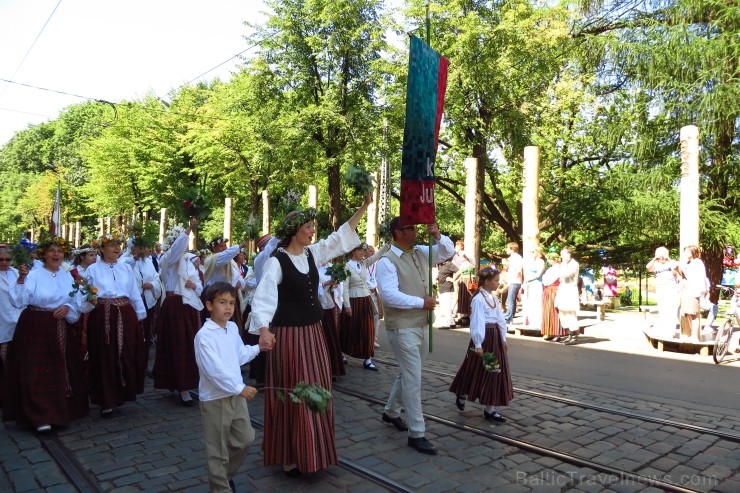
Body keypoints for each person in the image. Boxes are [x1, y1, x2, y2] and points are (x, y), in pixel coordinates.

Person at [249, 194, 373, 476]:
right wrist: (265, 330)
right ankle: (291, 454)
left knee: (317, 390)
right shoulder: (276, 262)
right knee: (295, 391)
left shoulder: (311, 254)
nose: (312, 231)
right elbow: (264, 299)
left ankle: (314, 450)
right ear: (294, 230)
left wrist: (363, 208)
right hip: (289, 337)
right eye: (308, 226)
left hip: (313, 334)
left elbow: (340, 237)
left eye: (313, 226)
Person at [376, 217, 455, 455]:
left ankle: (391, 412)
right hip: (402, 326)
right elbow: (388, 295)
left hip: (421, 323)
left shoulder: (420, 251)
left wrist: (437, 235)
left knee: (410, 372)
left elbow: (446, 252)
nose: (414, 231)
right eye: (410, 228)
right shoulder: (386, 260)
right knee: (413, 379)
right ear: (398, 233)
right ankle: (417, 432)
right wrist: (421, 302)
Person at [3, 236, 88, 432]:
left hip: (61, 327)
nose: (56, 254)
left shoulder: (67, 276)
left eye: (59, 251)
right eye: (51, 250)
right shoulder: (34, 274)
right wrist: (22, 278)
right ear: (44, 254)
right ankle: (40, 415)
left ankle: (61, 411)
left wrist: (67, 307)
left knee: (60, 368)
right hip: (36, 325)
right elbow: (18, 300)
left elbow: (75, 300)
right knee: (37, 370)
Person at [195, 282, 268, 493]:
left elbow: (238, 355)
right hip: (216, 398)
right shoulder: (204, 336)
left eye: (232, 303)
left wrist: (258, 348)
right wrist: (239, 387)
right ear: (209, 306)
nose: (228, 308)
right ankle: (220, 488)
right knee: (217, 450)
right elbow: (214, 371)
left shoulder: (232, 328)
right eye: (222, 302)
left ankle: (225, 476)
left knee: (246, 438)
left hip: (236, 396)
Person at [82, 232, 147, 417]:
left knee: (125, 353)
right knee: (104, 356)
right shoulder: (93, 270)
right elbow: (85, 294)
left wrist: (139, 314)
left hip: (125, 314)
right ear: (101, 249)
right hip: (103, 315)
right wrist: (90, 301)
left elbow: (134, 292)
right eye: (112, 245)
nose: (117, 248)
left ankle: (123, 392)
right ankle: (106, 400)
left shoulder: (125, 268)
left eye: (118, 244)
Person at [449, 267, 513, 421]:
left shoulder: (493, 298)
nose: (499, 283)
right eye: (496, 280)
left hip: (494, 336)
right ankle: (462, 392)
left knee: (493, 371)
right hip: (484, 338)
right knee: (473, 368)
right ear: (487, 281)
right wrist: (478, 343)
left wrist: (503, 338)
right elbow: (477, 321)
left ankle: (489, 409)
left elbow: (500, 319)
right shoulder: (478, 299)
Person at [153, 219, 203, 407]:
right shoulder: (168, 259)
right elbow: (176, 250)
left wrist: (194, 285)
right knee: (178, 347)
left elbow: (199, 286)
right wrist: (188, 229)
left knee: (191, 347)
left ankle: (190, 382)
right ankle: (182, 387)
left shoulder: (188, 263)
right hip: (175, 305)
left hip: (189, 307)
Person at [340, 242, 388, 370]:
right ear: (353, 251)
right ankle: (342, 353)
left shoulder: (363, 264)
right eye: (360, 251)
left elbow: (376, 256)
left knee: (368, 328)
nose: (363, 253)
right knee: (350, 328)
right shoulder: (346, 266)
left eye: (363, 251)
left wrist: (386, 246)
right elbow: (344, 287)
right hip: (353, 300)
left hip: (365, 298)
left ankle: (367, 358)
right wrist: (347, 305)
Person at [0, 246, 21, 407]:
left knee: (17, 360)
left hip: (18, 319)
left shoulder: (16, 273)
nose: (5, 262)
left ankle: (15, 393)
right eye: (1, 260)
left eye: (8, 259)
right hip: (2, 319)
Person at [318, 259, 346, 379]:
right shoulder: (313, 266)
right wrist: (325, 284)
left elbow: (341, 287)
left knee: (332, 334)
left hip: (332, 303)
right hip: (320, 306)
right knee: (322, 336)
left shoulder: (333, 267)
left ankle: (333, 367)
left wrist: (335, 284)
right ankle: (322, 368)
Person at [646, 247, 680, 337]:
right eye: (660, 255)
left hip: (671, 289)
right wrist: (655, 258)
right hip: (660, 290)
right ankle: (664, 330)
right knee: (662, 310)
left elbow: (677, 268)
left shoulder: (672, 263)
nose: (662, 258)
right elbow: (648, 267)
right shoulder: (656, 264)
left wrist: (668, 258)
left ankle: (671, 332)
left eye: (663, 255)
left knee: (672, 310)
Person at [679, 245, 707, 341]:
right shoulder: (688, 262)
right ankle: (689, 333)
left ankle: (694, 336)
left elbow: (692, 277)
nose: (686, 254)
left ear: (692, 252)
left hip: (693, 291)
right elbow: (684, 276)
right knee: (686, 313)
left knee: (693, 314)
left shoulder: (697, 263)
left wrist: (682, 269)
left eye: (687, 251)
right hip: (686, 290)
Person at [555, 247, 580, 345]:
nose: (561, 256)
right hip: (563, 289)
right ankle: (569, 333)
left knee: (570, 312)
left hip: (570, 290)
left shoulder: (574, 264)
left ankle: (574, 335)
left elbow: (565, 274)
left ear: (568, 254)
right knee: (562, 311)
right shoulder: (563, 264)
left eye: (563, 254)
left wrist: (563, 265)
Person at [541, 251, 564, 341]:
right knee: (547, 311)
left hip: (554, 290)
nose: (548, 261)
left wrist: (545, 281)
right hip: (548, 290)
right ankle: (549, 331)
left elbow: (548, 280)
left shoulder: (558, 268)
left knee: (555, 311)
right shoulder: (552, 268)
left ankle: (557, 333)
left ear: (554, 260)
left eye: (550, 259)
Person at [523, 246, 545, 332]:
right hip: (529, 284)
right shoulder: (529, 262)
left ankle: (538, 323)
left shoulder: (541, 262)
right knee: (530, 303)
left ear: (538, 252)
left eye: (533, 252)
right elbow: (526, 273)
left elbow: (538, 274)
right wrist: (525, 282)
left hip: (537, 283)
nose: (531, 253)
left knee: (537, 302)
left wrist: (529, 279)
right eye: (530, 252)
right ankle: (531, 322)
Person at [502, 242, 523, 323]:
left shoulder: (516, 258)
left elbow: (518, 270)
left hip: (514, 281)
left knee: (510, 299)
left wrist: (511, 280)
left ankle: (508, 317)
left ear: (512, 249)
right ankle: (511, 316)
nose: (506, 250)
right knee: (512, 299)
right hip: (513, 280)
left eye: (508, 248)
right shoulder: (512, 258)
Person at [436, 256, 458, 329]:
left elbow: (459, 271)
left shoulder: (449, 264)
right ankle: (451, 322)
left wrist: (453, 279)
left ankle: (446, 324)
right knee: (444, 306)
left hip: (447, 287)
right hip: (441, 287)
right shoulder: (440, 264)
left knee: (446, 307)